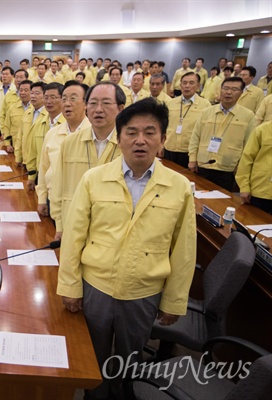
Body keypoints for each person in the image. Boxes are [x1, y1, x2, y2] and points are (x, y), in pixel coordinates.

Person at [58, 98, 196, 400]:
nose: (140, 140)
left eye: (150, 132)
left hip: (143, 291)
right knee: (91, 358)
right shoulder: (94, 179)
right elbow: (74, 237)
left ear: (163, 139)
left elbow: (184, 251)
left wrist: (173, 301)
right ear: (119, 139)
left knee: (128, 360)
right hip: (96, 286)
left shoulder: (179, 186)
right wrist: (70, 285)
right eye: (131, 132)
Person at [49, 82, 124, 239]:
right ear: (86, 107)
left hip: (113, 230)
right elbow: (58, 186)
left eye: (106, 103)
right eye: (93, 103)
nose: (98, 109)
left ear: (121, 108)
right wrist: (60, 225)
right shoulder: (70, 143)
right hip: (74, 224)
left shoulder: (128, 145)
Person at [188, 77, 255, 191]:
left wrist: (240, 166)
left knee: (221, 203)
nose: (229, 92)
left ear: (241, 93)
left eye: (234, 89)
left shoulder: (248, 115)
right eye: (226, 88)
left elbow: (248, 144)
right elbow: (195, 137)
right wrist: (192, 159)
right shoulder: (206, 112)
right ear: (220, 90)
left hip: (227, 168)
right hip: (204, 163)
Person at [36, 81, 91, 218]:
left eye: (73, 99)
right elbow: (44, 168)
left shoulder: (93, 134)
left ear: (86, 104)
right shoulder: (53, 134)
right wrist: (42, 198)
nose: (67, 104)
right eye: (64, 99)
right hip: (54, 201)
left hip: (83, 205)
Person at [163, 71, 210, 168]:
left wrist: (195, 157)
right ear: (180, 85)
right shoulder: (171, 103)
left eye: (191, 83)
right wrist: (161, 146)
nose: (187, 86)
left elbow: (206, 133)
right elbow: (163, 126)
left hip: (189, 152)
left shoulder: (205, 105)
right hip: (169, 148)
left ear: (198, 86)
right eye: (184, 83)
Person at [235, 121, 272, 214]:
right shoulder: (262, 130)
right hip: (260, 190)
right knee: (254, 224)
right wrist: (244, 187)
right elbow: (246, 160)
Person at [1, 79, 32, 163]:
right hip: (15, 147)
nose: (22, 93)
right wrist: (7, 144)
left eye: (26, 90)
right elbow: (7, 126)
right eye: (21, 90)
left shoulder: (35, 109)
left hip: (31, 150)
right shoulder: (12, 108)